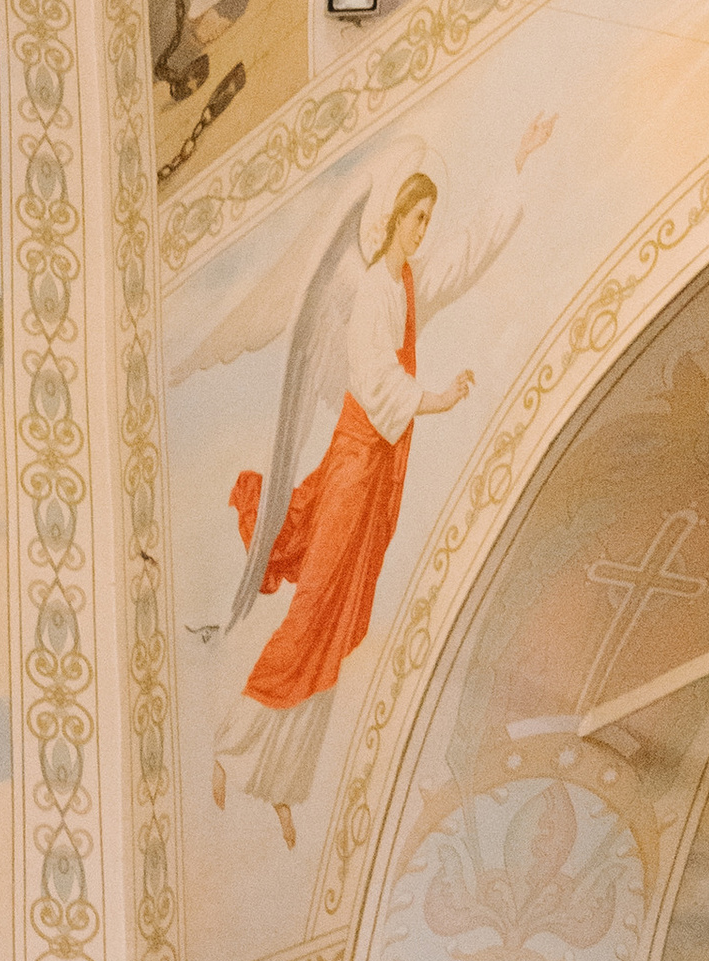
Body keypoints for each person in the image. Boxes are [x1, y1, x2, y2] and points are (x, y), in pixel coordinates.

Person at [213, 127, 542, 841]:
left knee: (335, 626)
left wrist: (514, 165)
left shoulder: (412, 283)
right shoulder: (367, 292)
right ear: (389, 218)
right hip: (357, 464)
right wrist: (439, 396)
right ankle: (230, 745)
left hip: (380, 473)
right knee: (312, 610)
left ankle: (281, 782)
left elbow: (469, 253)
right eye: (413, 218)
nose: (423, 232)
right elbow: (372, 378)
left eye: (428, 219)